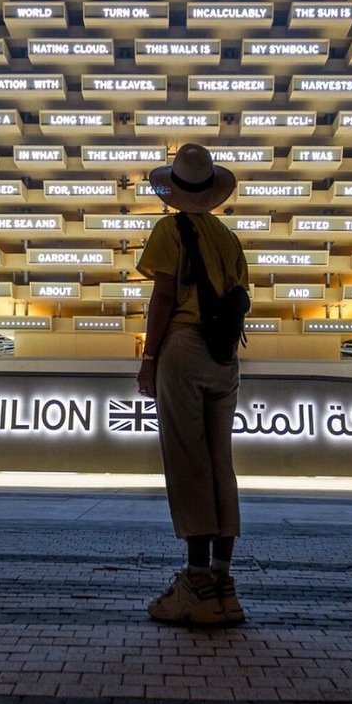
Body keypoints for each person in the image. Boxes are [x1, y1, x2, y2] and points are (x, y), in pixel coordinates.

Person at [136, 142, 250, 626]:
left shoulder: (169, 229)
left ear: (173, 192)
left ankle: (195, 585)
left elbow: (163, 298)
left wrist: (148, 357)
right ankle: (223, 584)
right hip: (225, 357)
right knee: (220, 462)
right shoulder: (229, 239)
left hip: (182, 350)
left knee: (187, 462)